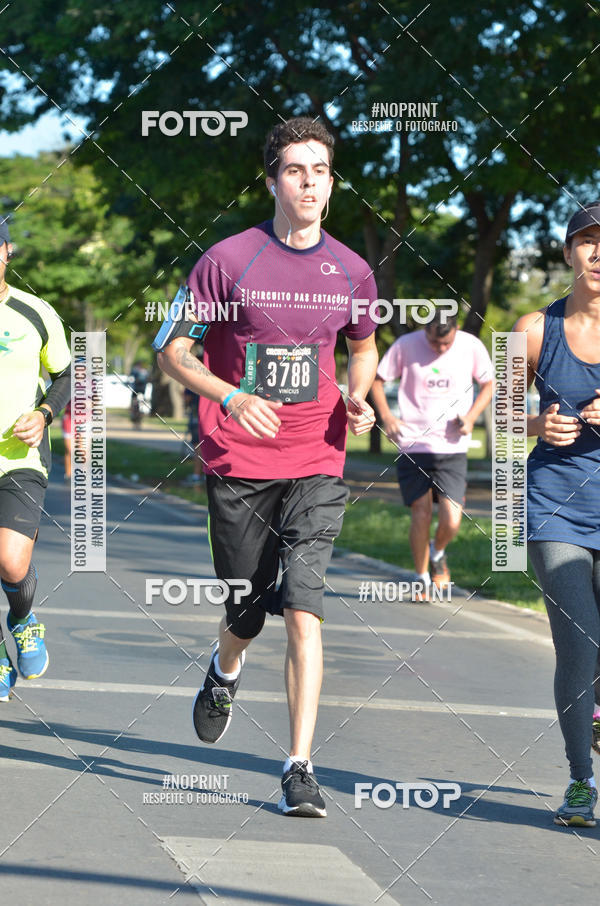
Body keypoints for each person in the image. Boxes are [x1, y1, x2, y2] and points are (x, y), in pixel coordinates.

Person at [155, 117, 378, 816]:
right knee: (248, 610)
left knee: (304, 607)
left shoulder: (352, 269)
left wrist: (358, 391)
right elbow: (174, 352)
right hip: (240, 458)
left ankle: (299, 766)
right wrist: (231, 395)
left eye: (321, 170)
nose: (310, 182)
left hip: (318, 456)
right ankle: (224, 670)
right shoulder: (228, 261)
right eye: (296, 170)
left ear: (332, 181)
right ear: (273, 180)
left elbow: (363, 343)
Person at [515, 200, 600, 827]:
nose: (599, 254)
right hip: (555, 510)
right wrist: (534, 421)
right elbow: (492, 418)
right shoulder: (530, 328)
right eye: (588, 241)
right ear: (569, 251)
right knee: (579, 644)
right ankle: (580, 781)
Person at [370, 309, 493, 601]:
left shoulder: (471, 345)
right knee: (421, 513)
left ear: (456, 329)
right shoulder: (405, 345)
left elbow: (488, 383)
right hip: (413, 443)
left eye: (445, 344)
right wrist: (386, 416)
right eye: (433, 343)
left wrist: (472, 415)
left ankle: (438, 553)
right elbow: (377, 379)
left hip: (452, 447)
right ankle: (422, 578)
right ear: (425, 331)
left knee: (452, 518)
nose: (438, 349)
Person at [0, 217, 71, 700]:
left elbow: (66, 374)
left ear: (6, 251)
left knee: (9, 559)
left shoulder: (35, 312)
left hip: (18, 457)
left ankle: (23, 619)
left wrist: (46, 414)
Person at [62, 400, 72, 480]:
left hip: (84, 419)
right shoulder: (70, 386)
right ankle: (68, 475)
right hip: (69, 418)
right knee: (69, 450)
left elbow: (96, 400)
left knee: (83, 452)